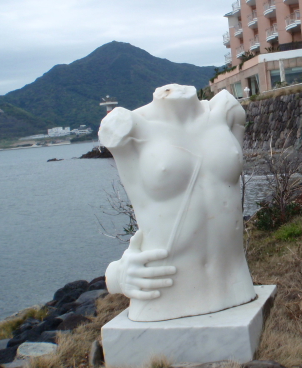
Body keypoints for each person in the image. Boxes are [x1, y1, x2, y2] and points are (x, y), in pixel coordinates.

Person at [99, 84, 256, 322]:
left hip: (237, 287)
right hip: (165, 295)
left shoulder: (227, 112)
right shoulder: (124, 127)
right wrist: (118, 275)